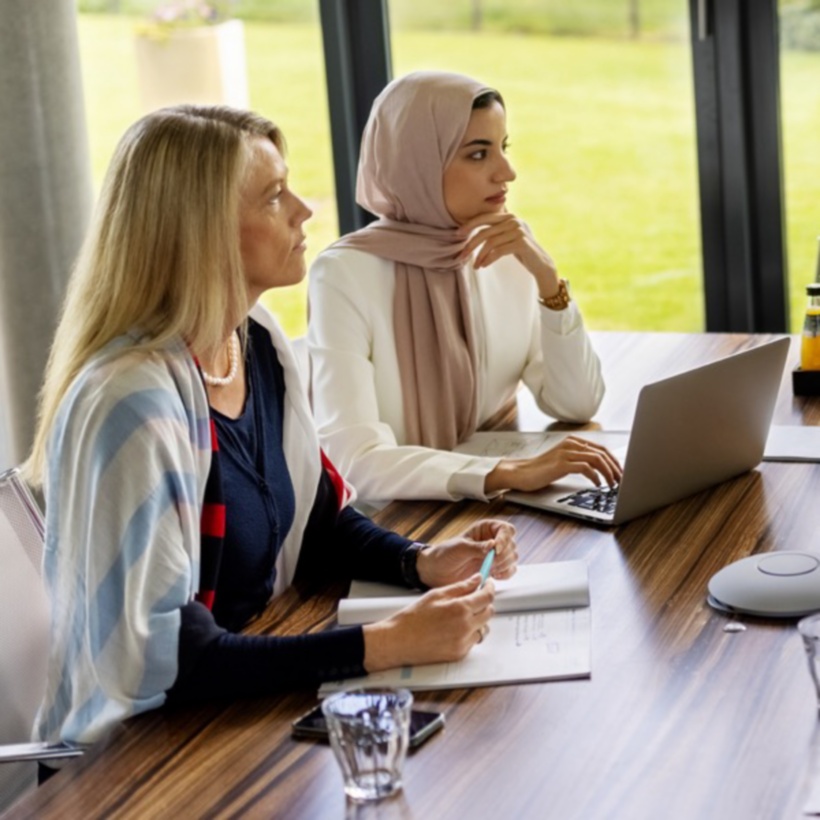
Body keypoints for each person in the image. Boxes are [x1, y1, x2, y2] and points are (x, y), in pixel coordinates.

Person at [25, 104, 518, 750]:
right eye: (274, 197)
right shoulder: (131, 405)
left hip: (235, 715)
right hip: (138, 762)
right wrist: (382, 646)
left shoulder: (254, 343)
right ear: (200, 232)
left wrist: (421, 562)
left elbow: (315, 519)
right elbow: (162, 657)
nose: (304, 212)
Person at [307, 71, 622, 511]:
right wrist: (506, 474)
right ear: (417, 162)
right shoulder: (344, 275)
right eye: (478, 154)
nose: (507, 172)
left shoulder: (506, 247)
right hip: (394, 523)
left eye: (503, 148)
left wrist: (549, 281)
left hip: (492, 505)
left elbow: (575, 402)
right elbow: (353, 461)